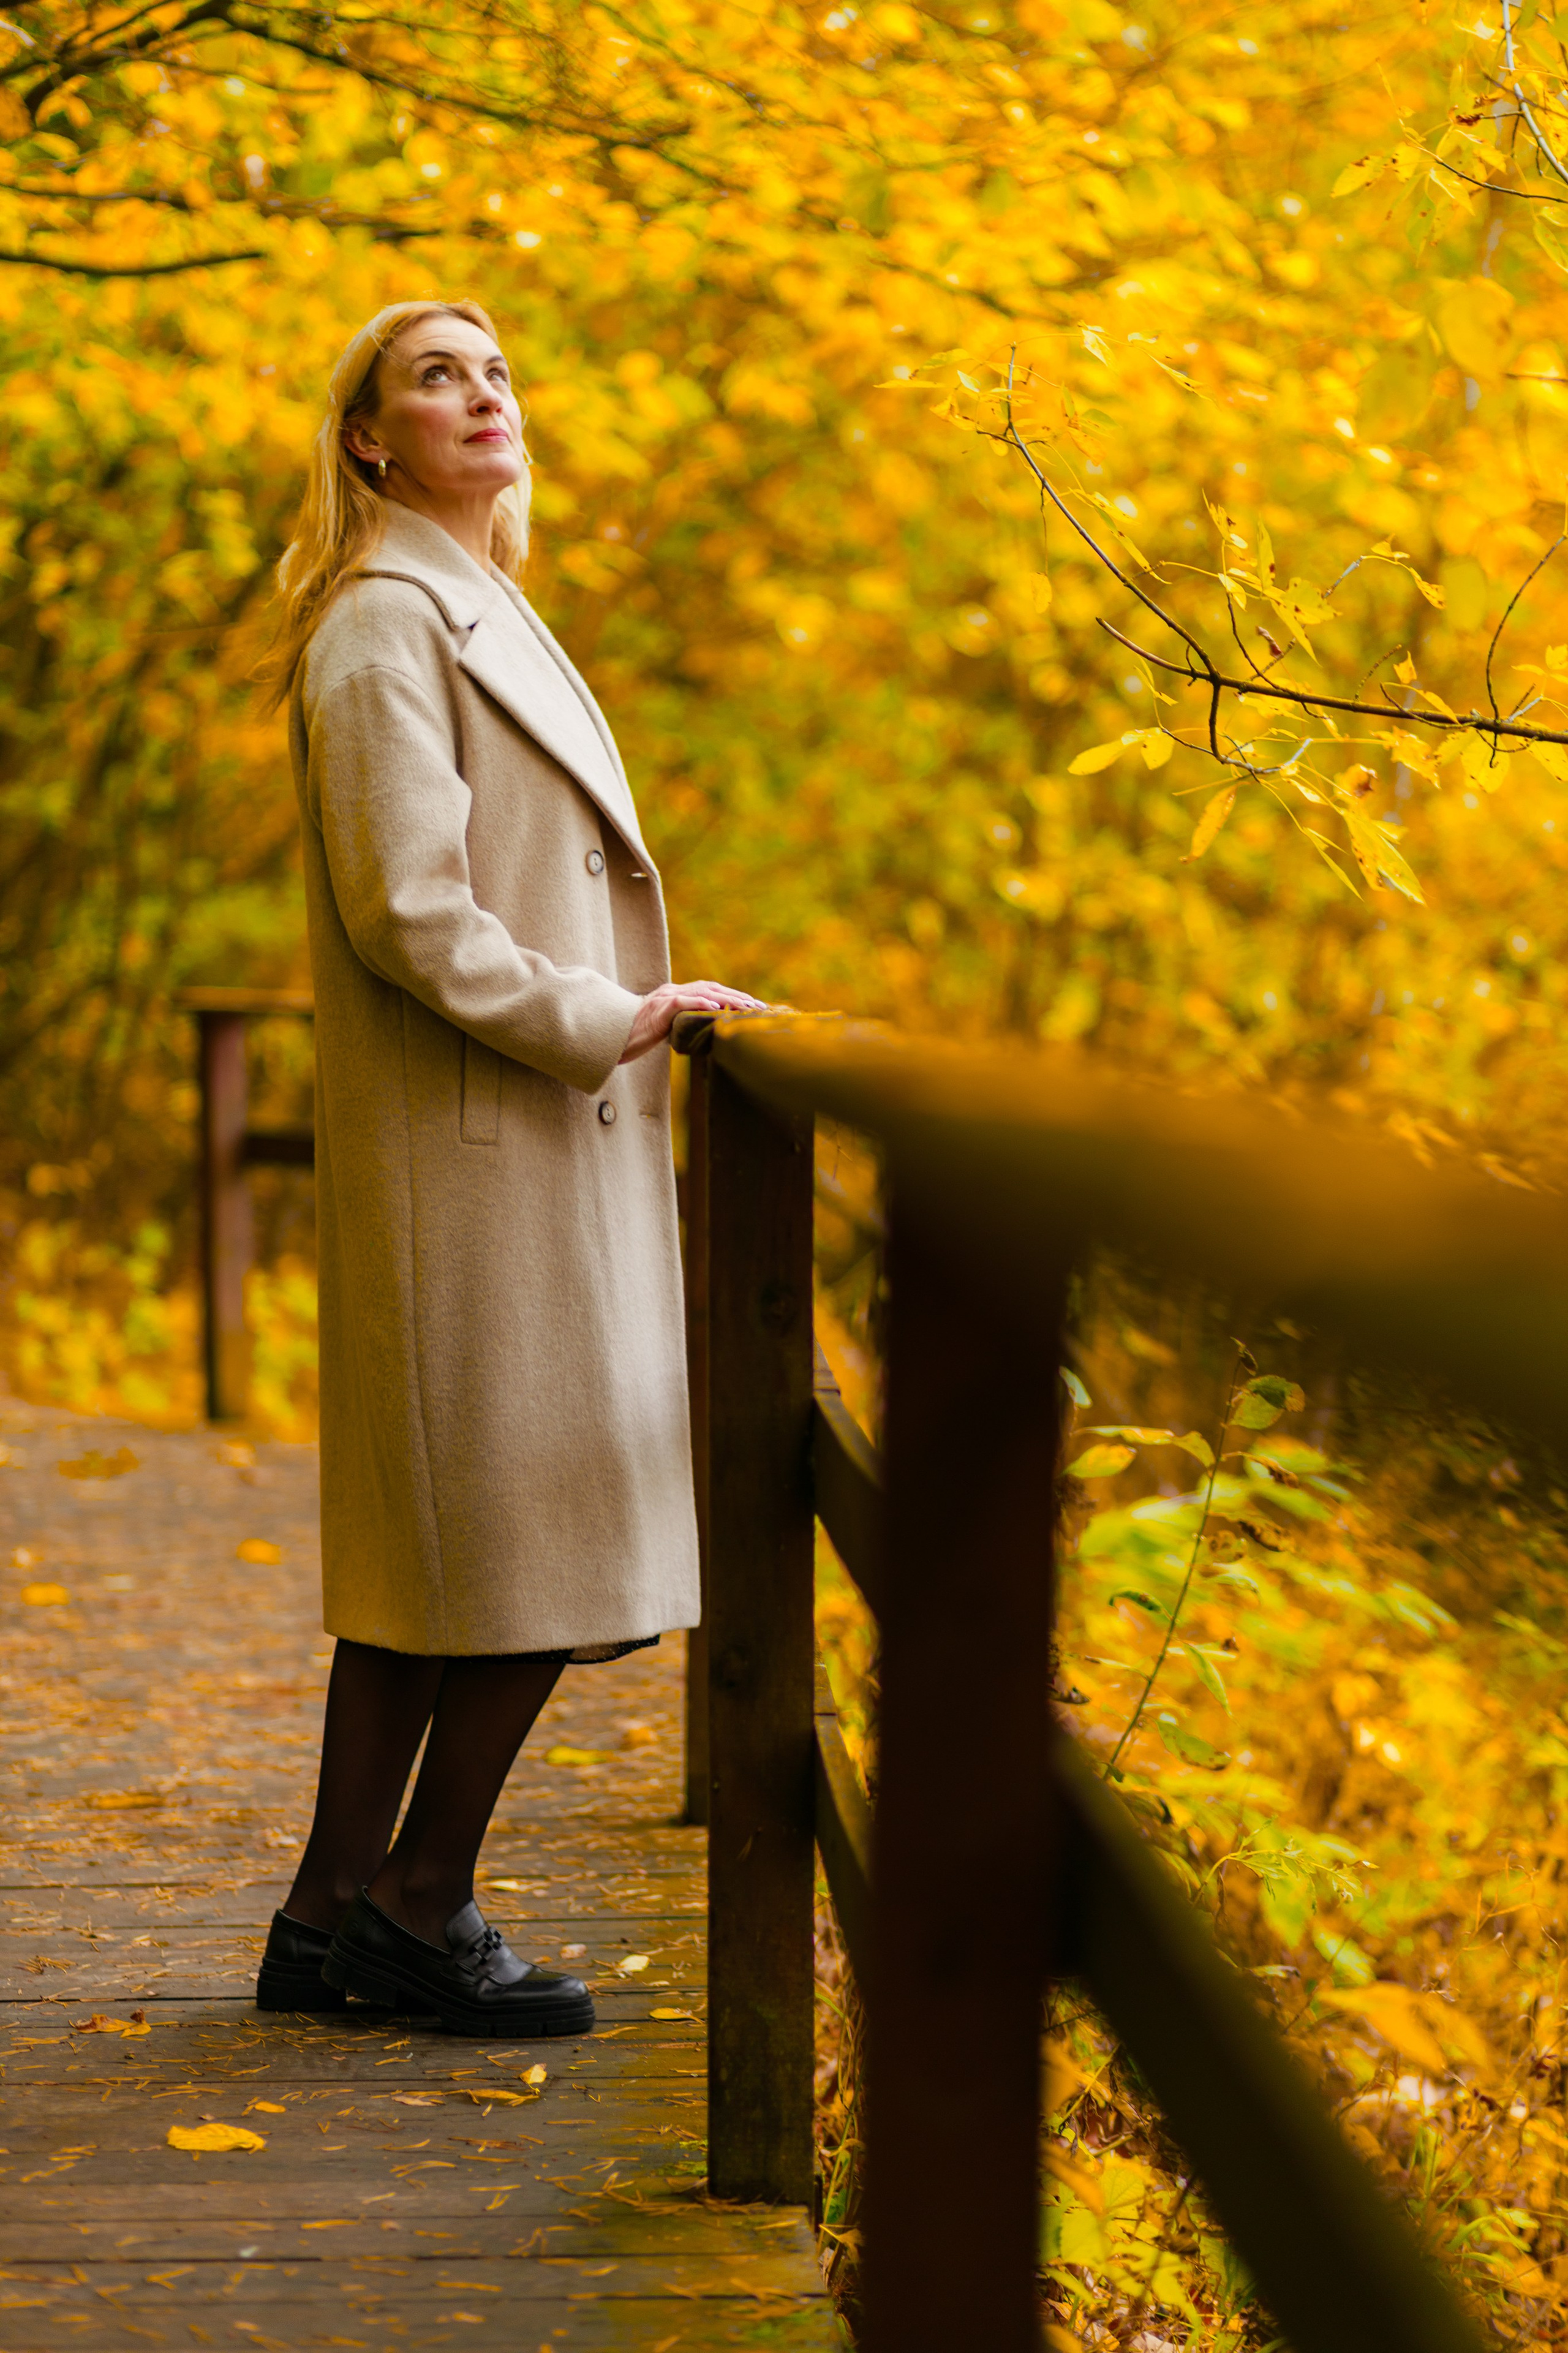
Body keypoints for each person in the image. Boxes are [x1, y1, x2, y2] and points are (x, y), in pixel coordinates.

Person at [252, 297, 761, 2036]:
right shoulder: (387, 624)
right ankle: (420, 1894)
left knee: (446, 1544)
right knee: (532, 1518)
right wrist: (609, 1015)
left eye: (497, 372)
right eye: (434, 375)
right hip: (494, 1125)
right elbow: (411, 908)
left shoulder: (470, 606)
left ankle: (331, 1907)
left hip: (511, 1134)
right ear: (370, 440)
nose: (482, 396)